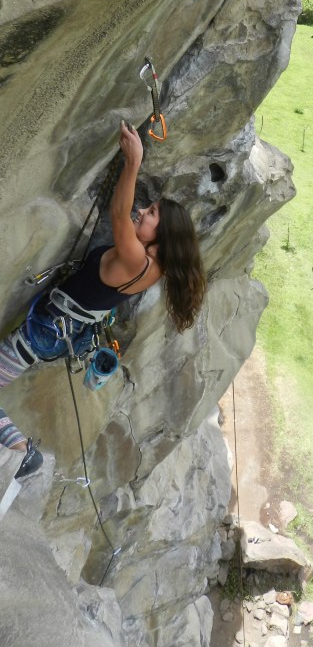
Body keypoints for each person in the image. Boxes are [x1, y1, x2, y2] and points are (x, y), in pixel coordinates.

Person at [0, 122, 206, 480]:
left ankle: (22, 453)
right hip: (54, 332)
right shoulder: (153, 269)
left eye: (152, 214)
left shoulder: (137, 261)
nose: (142, 210)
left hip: (45, 331)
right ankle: (21, 453)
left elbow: (117, 215)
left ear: (163, 236)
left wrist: (133, 163)